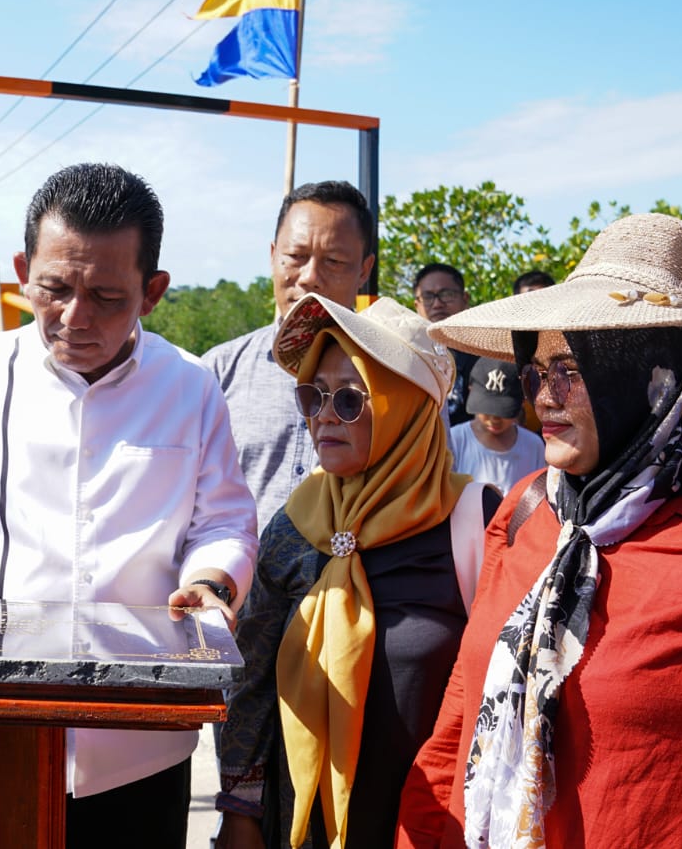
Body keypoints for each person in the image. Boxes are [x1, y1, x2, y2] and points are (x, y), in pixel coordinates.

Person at [398, 213, 682, 848]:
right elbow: (460, 721)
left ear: (655, 378)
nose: (543, 400)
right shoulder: (531, 509)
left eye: (572, 370)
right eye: (537, 372)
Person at [0, 162, 257, 849]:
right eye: (55, 288)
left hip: (137, 744)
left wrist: (211, 581)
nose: (75, 317)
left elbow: (221, 519)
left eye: (107, 296)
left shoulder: (189, 386)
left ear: (153, 291)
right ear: (21, 270)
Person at [215, 294, 498, 849]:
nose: (322, 414)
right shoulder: (294, 524)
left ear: (408, 408)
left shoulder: (477, 522)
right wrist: (240, 811)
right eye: (311, 395)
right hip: (300, 827)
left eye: (349, 399)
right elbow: (251, 682)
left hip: (433, 826)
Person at [203, 180, 376, 534]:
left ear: (363, 270)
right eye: (296, 257)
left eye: (334, 261)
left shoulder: (398, 374)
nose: (310, 277)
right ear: (272, 256)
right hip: (239, 586)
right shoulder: (217, 372)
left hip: (356, 587)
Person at [448, 357, 546, 493]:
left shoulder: (534, 446)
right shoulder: (455, 440)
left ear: (522, 402)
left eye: (503, 411)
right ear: (471, 391)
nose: (494, 419)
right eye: (487, 409)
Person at [412, 263, 476, 425]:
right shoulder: (407, 354)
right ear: (416, 306)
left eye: (446, 294)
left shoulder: (483, 352)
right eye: (428, 297)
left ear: (465, 299)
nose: (437, 304)